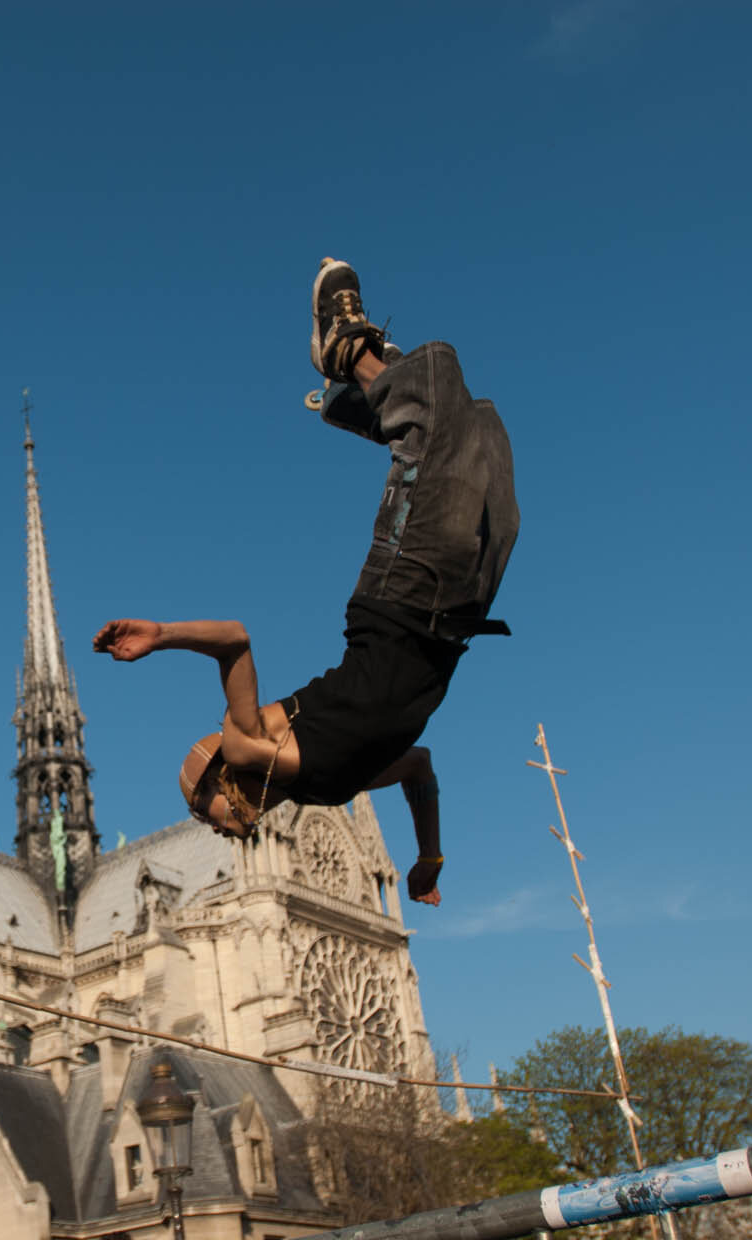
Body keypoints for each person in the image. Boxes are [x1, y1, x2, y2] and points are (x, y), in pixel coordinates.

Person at [94, 259, 519, 904]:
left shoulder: (249, 745)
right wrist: (428, 856)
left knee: (437, 429)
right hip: (453, 621)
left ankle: (348, 354)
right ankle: (365, 402)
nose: (218, 834)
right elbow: (420, 770)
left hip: (401, 598)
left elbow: (235, 640)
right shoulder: (328, 786)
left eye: (205, 816)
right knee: (485, 451)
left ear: (220, 780)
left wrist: (162, 634)